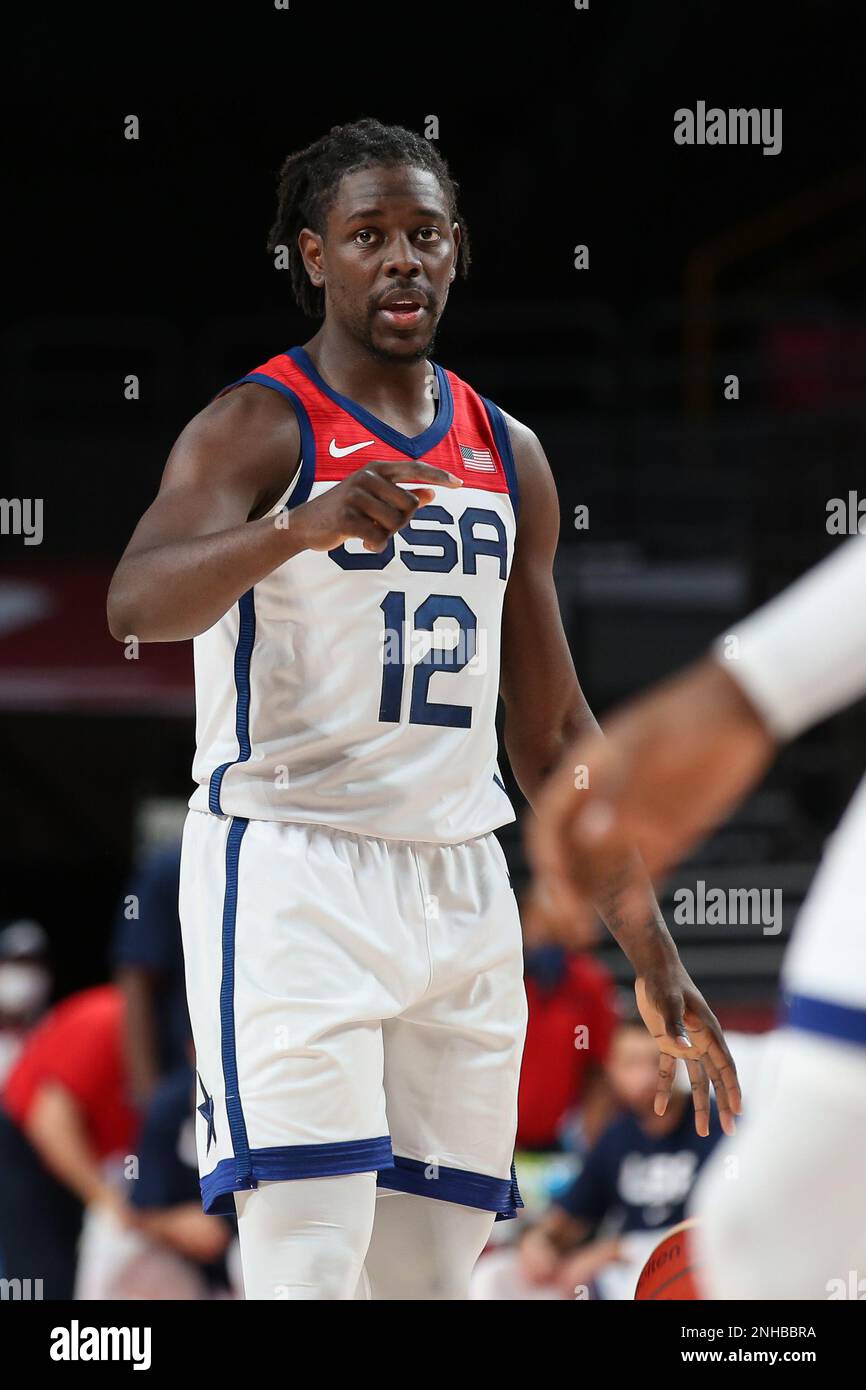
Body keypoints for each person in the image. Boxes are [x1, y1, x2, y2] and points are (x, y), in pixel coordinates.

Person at [106, 117, 737, 1301]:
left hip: (459, 881)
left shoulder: (509, 451)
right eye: (368, 236)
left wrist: (650, 947)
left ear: (455, 252)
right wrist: (297, 526)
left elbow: (551, 734)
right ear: (312, 256)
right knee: (304, 1260)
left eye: (424, 235)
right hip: (290, 872)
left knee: (432, 1281)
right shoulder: (257, 423)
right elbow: (134, 601)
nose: (401, 260)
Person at [529, 535, 866, 1298]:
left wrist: (753, 688)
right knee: (764, 1236)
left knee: (765, 1234)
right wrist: (753, 688)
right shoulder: (618, 1137)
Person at [473, 1017, 723, 1300]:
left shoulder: (714, 1126)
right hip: (625, 1273)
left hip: (696, 1265)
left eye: (656, 1061)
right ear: (612, 1070)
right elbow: (573, 1215)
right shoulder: (617, 1135)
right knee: (495, 1275)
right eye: (632, 1064)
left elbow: (726, 1224)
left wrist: (610, 1251)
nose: (646, 1076)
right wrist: (539, 1240)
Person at [0, 984, 139, 1299]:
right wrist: (105, 1199)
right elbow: (49, 1122)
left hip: (89, 1159)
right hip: (27, 1149)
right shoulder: (105, 1020)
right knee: (41, 1283)